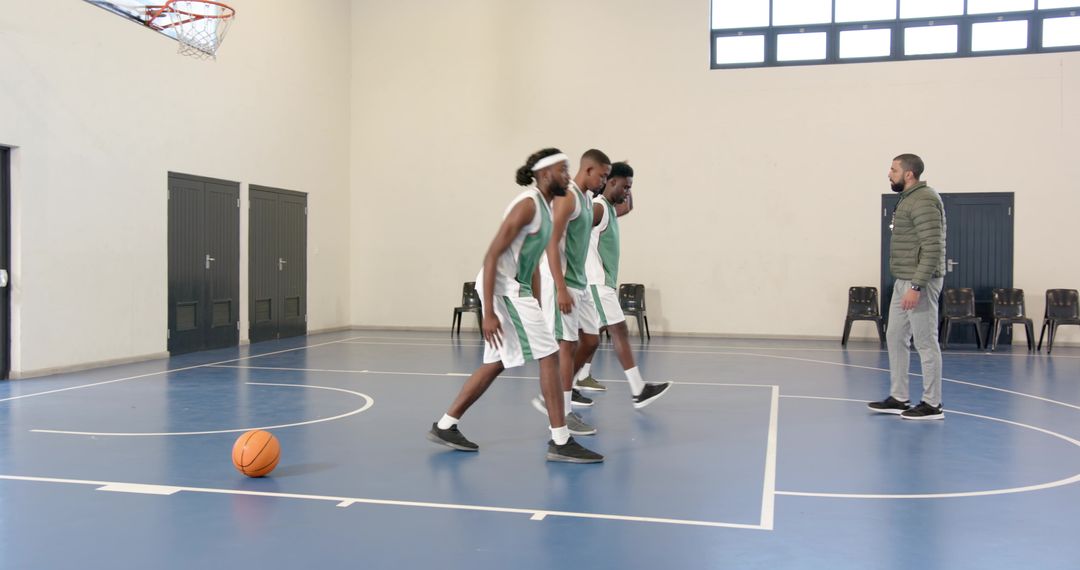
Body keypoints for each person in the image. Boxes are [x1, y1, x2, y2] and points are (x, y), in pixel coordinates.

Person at [427, 148, 604, 462]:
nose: (567, 175)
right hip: (503, 291)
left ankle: (446, 424)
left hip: (517, 291)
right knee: (550, 354)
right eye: (563, 170)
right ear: (544, 174)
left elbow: (532, 261)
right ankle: (560, 441)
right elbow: (492, 255)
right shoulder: (526, 206)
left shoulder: (548, 210)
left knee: (496, 363)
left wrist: (535, 298)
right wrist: (490, 314)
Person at [572, 161, 671, 408]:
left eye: (630, 187)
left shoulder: (609, 208)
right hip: (596, 282)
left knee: (590, 338)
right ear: (611, 182)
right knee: (619, 330)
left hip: (601, 283)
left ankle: (570, 383)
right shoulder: (598, 208)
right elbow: (575, 226)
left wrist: (628, 183)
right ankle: (638, 389)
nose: (627, 191)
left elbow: (627, 207)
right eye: (625, 186)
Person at [531, 149, 612, 436]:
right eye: (602, 175)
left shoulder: (589, 200)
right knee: (566, 346)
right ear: (588, 170)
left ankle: (555, 392)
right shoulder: (569, 197)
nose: (604, 181)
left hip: (580, 283)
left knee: (590, 340)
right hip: (562, 283)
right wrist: (561, 288)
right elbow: (551, 244)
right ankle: (563, 411)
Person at [868, 153, 947, 420]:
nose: (889, 174)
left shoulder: (924, 199)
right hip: (904, 279)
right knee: (895, 336)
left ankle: (932, 404)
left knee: (925, 342)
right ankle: (899, 398)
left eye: (893, 169)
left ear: (909, 174)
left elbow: (933, 248)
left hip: (918, 282)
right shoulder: (908, 199)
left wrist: (916, 285)